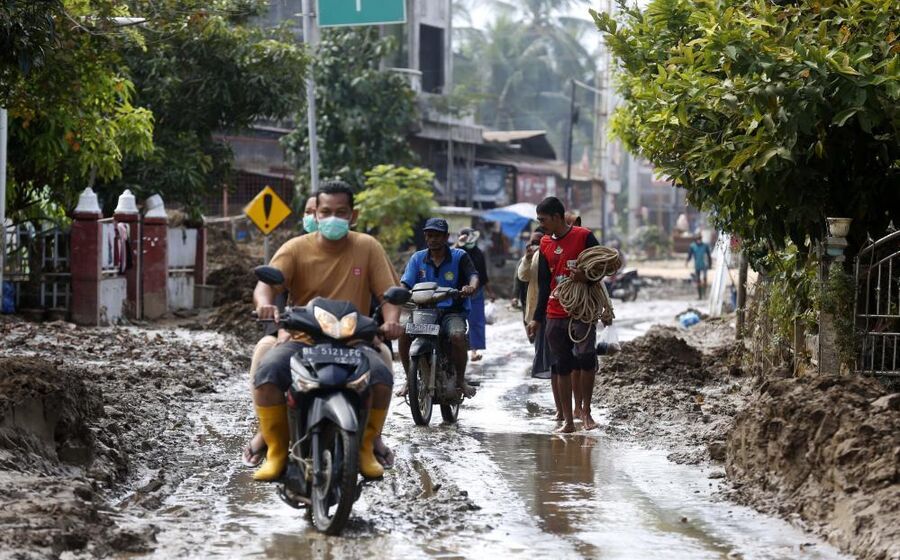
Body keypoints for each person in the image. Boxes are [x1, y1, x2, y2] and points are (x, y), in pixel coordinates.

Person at [251, 181, 404, 481]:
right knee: (267, 374)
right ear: (315, 214)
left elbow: (388, 294)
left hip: (354, 341)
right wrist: (264, 304)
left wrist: (391, 320)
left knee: (383, 377)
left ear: (353, 215)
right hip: (303, 340)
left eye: (340, 212)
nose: (333, 217)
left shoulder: (368, 247)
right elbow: (266, 286)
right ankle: (277, 451)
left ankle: (366, 446)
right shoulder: (295, 248)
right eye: (326, 211)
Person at [242, 195, 317, 468]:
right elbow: (273, 294)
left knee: (379, 358)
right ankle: (267, 429)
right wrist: (280, 327)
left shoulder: (358, 251)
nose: (316, 217)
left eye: (318, 211)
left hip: (345, 335)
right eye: (310, 212)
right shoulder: (294, 251)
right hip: (295, 332)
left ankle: (371, 438)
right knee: (264, 348)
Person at [528, 196, 606, 433]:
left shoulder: (584, 236)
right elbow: (544, 283)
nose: (541, 224)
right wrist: (536, 317)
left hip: (581, 309)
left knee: (585, 356)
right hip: (555, 310)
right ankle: (568, 421)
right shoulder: (544, 244)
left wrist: (587, 277)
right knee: (560, 363)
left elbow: (602, 267)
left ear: (557, 217)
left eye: (543, 219)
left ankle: (586, 412)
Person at [398, 218, 479, 398]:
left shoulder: (459, 256)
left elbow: (473, 275)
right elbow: (405, 282)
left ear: (446, 237)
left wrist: (470, 287)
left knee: (458, 337)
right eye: (429, 236)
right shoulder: (417, 258)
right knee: (403, 333)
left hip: (452, 311)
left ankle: (460, 380)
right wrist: (401, 292)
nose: (433, 239)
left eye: (437, 236)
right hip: (423, 311)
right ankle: (408, 379)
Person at [518, 229, 554, 386]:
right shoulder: (530, 259)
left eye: (538, 242)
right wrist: (527, 258)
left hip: (553, 308)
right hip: (534, 308)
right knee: (540, 346)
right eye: (532, 242)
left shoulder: (552, 254)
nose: (535, 245)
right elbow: (522, 276)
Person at [456, 227, 492, 362]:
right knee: (457, 321)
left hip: (477, 292)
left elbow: (483, 274)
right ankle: (457, 352)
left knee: (476, 322)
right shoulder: (456, 252)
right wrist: (458, 243)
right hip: (458, 292)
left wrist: (490, 291)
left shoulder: (478, 253)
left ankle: (473, 351)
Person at [686, 232, 713, 299]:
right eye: (698, 238)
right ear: (695, 239)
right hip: (697, 265)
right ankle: (700, 296)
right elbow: (690, 255)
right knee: (698, 280)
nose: (699, 240)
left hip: (704, 265)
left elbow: (709, 256)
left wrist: (710, 264)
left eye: (700, 238)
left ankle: (704, 294)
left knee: (704, 279)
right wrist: (687, 261)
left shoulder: (705, 246)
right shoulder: (692, 246)